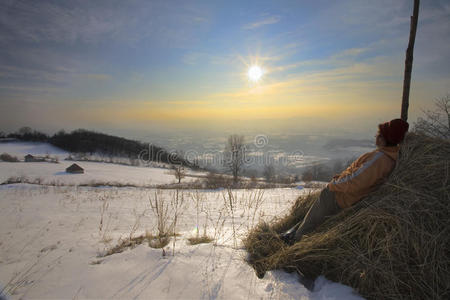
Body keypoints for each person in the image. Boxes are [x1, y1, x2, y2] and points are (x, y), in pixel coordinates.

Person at [281, 118, 409, 245]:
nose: (376, 136)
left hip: (343, 197)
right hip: (350, 197)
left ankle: (295, 241)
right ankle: (294, 232)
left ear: (384, 138)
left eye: (379, 134)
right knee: (314, 213)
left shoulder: (379, 159)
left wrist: (332, 185)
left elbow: (355, 180)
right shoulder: (388, 157)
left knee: (317, 213)